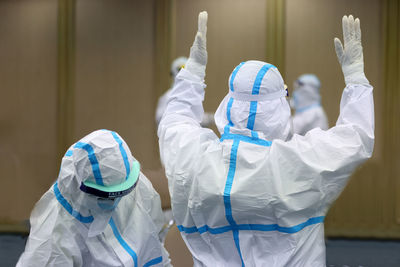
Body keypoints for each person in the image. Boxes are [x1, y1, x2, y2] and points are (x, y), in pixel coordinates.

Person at [158, 11, 373, 266]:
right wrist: (356, 80)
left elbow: (174, 120)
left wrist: (192, 74)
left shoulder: (193, 158)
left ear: (230, 104)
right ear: (279, 107)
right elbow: (357, 136)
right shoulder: (299, 161)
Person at [17, 129, 171, 267]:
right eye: (104, 196)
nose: (115, 201)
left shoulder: (131, 183)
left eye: (121, 193)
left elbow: (154, 240)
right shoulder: (56, 225)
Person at [155, 56, 214, 127]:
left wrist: (210, 118)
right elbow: (161, 119)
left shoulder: (190, 95)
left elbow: (195, 116)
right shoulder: (168, 96)